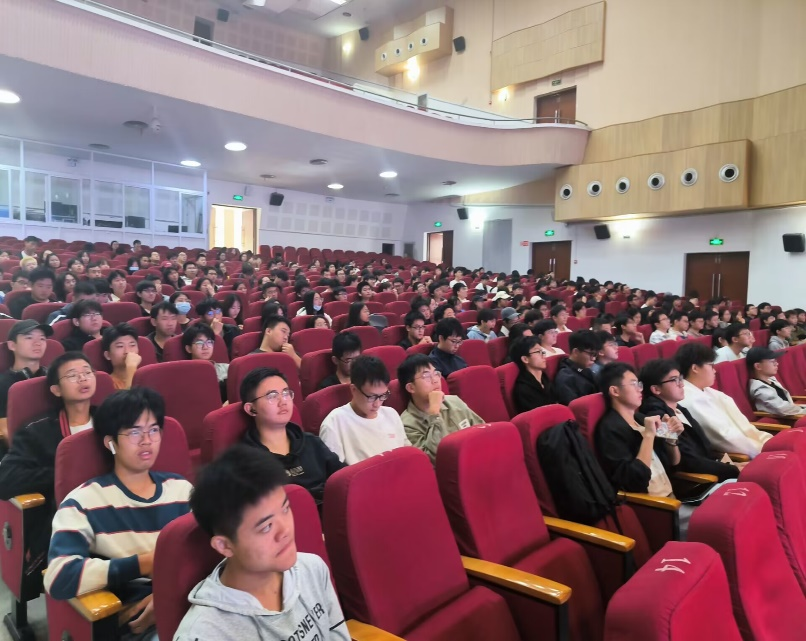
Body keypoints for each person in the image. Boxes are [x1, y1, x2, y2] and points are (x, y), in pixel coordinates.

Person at [44, 388, 192, 639]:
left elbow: (213, 553)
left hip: (194, 602)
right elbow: (59, 577)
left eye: (154, 430)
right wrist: (145, 563)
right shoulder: (84, 501)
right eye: (134, 432)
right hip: (141, 621)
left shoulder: (182, 490)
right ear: (110, 442)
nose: (146, 440)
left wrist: (168, 598)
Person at [172, 445, 349, 641]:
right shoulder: (203, 634)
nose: (285, 531)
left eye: (285, 509)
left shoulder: (313, 569)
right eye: (266, 527)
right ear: (224, 545)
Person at [0, 353, 97, 576]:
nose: (83, 378)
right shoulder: (38, 431)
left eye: (87, 372)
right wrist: (63, 476)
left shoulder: (109, 422)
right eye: (72, 375)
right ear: (56, 390)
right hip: (68, 520)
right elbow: (6, 478)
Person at [240, 368, 345, 503]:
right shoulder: (245, 462)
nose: (283, 401)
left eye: (286, 393)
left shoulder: (312, 442)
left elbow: (343, 479)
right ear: (251, 409)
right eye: (272, 396)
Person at [639, 359, 741, 480]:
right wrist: (734, 470)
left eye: (680, 378)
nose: (681, 384)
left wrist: (732, 465)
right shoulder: (658, 417)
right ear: (656, 389)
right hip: (698, 481)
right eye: (674, 380)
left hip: (712, 469)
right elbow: (688, 461)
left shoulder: (679, 409)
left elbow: (704, 450)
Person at [595, 363, 681, 502]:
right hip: (654, 506)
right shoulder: (610, 429)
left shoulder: (641, 419)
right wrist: (649, 435)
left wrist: (671, 438)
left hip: (673, 496)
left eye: (639, 384)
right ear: (615, 391)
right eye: (633, 384)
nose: (640, 389)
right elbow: (634, 481)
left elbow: (674, 463)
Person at [677, 341, 772, 457]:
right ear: (695, 368)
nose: (715, 370)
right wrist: (763, 450)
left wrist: (768, 442)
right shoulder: (690, 400)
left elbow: (744, 426)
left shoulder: (709, 392)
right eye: (711, 366)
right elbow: (725, 438)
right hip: (743, 455)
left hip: (752, 445)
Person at [319, 356, 409, 465]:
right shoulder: (334, 423)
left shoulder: (391, 414)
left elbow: (407, 454)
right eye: (371, 397)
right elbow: (334, 471)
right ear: (354, 390)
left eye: (383, 396)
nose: (377, 404)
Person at [398, 354, 483, 463]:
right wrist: (434, 414)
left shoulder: (454, 401)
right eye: (426, 376)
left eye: (436, 373)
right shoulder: (407, 424)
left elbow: (482, 430)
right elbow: (432, 460)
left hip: (476, 459)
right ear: (411, 387)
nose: (435, 380)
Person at [0, 320, 53, 447]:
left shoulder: (53, 377)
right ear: (12, 345)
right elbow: (5, 429)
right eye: (29, 338)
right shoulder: (3, 384)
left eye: (42, 338)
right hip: (24, 450)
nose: (37, 343)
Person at [746, 347, 806, 417]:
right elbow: (782, 408)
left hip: (792, 413)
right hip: (786, 419)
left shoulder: (771, 380)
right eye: (772, 362)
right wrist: (803, 410)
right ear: (758, 366)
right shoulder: (760, 389)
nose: (776, 364)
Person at [510, 335, 557, 414]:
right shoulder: (523, 389)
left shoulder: (544, 377)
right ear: (525, 359)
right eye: (538, 352)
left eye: (542, 352)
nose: (543, 356)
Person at [554, 330, 600, 405]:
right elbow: (575, 408)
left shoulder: (585, 368)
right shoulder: (566, 378)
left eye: (595, 355)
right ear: (576, 352)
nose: (594, 358)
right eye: (591, 354)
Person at [100, 323, 142, 390]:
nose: (127, 351)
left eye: (132, 345)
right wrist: (131, 368)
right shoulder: (107, 383)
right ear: (107, 355)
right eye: (120, 346)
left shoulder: (146, 377)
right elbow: (130, 396)